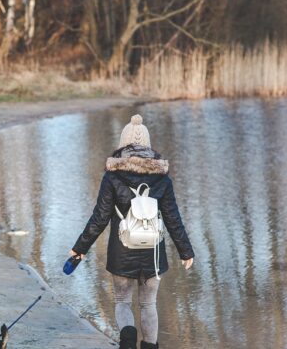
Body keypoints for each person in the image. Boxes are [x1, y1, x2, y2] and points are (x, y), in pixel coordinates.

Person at [69, 114, 195, 349]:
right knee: (148, 305)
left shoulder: (112, 177)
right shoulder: (162, 180)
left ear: (122, 145)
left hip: (122, 250)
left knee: (122, 301)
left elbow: (100, 217)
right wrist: (186, 252)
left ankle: (127, 344)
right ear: (147, 146)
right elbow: (173, 219)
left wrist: (80, 248)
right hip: (153, 254)